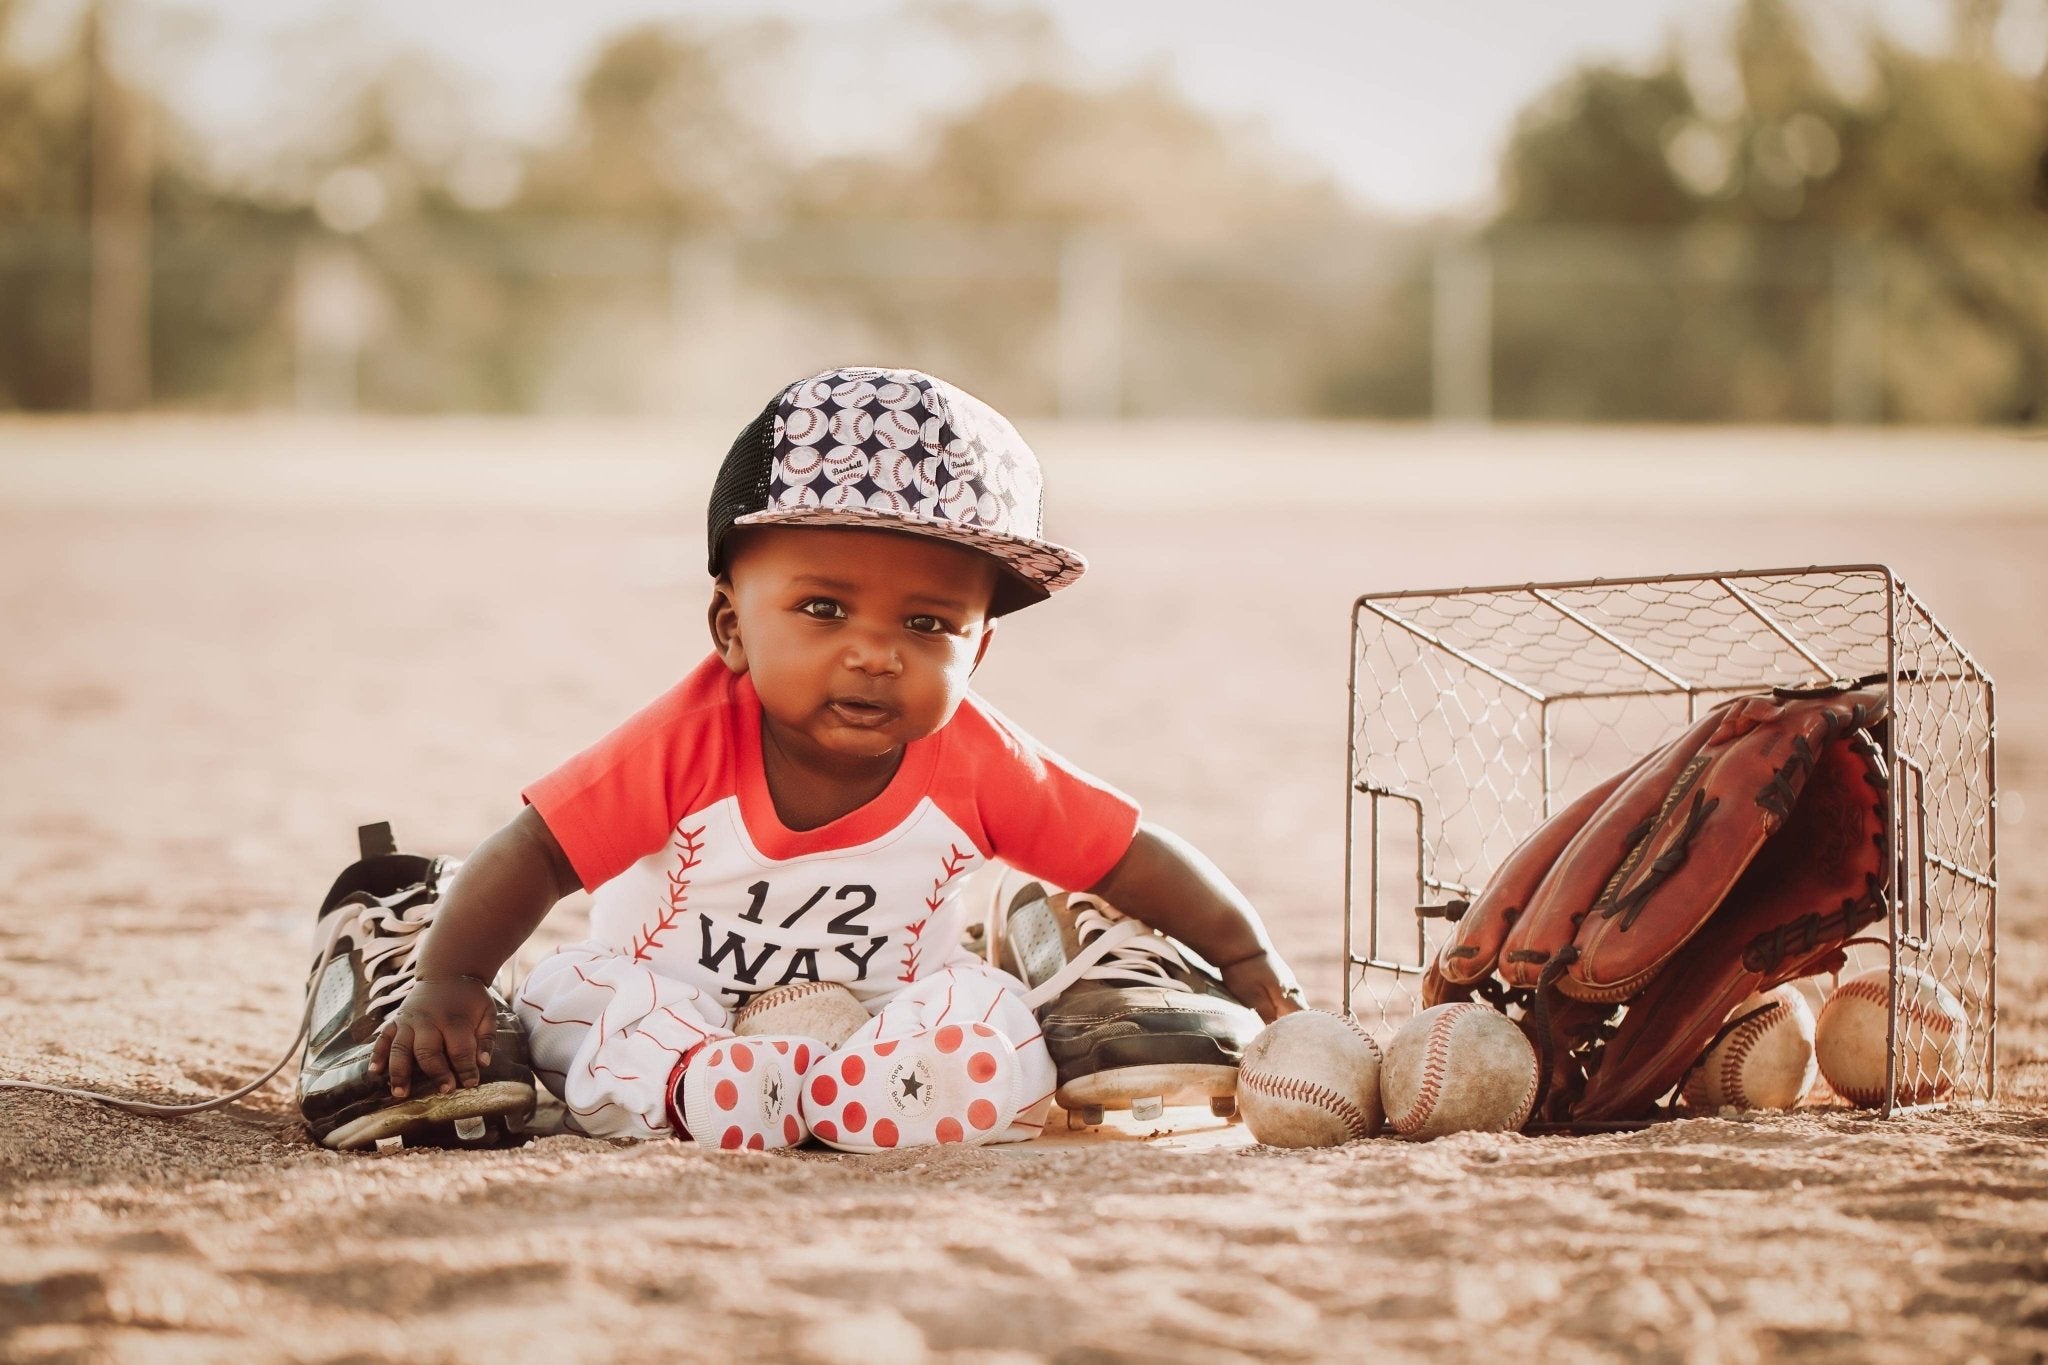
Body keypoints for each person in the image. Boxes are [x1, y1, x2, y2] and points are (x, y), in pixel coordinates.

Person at [296, 366, 1303, 1154]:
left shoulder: (975, 757)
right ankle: (707, 1091)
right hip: (677, 994)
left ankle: (865, 1100)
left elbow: (1129, 854)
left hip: (878, 1024)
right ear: (730, 627)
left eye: (926, 622)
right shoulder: (688, 739)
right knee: (587, 999)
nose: (874, 652)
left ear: (978, 649)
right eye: (822, 610)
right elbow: (533, 853)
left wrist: (1248, 960)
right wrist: (454, 982)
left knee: (988, 1004)